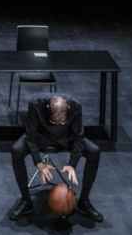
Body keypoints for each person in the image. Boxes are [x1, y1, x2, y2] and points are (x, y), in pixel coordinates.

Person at [9, 93, 103, 222]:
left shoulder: (75, 106)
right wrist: (39, 163)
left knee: (94, 151)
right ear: (48, 109)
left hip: (66, 136)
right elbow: (31, 136)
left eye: (62, 121)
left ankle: (84, 201)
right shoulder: (35, 104)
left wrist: (72, 164)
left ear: (67, 109)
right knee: (16, 151)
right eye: (54, 121)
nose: (57, 124)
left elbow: (78, 137)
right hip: (41, 137)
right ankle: (26, 200)